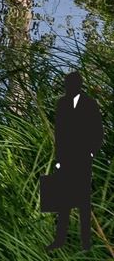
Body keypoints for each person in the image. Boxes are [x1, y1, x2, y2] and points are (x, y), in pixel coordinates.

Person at [43, 71, 103, 248]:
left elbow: (98, 131)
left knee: (84, 201)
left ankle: (85, 242)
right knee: (63, 200)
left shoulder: (90, 104)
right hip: (66, 158)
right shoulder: (62, 103)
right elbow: (60, 132)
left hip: (83, 159)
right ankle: (59, 240)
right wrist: (59, 158)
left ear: (78, 85)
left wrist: (91, 153)